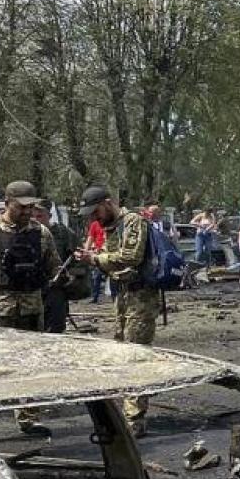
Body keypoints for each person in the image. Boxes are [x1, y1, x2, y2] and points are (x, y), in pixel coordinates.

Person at [74, 185, 161, 436]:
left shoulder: (133, 221)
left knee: (136, 355)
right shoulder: (110, 227)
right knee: (122, 350)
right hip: (122, 294)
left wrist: (95, 259)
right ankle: (127, 412)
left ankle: (135, 418)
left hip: (140, 296)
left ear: (108, 202)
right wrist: (95, 255)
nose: (94, 217)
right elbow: (112, 257)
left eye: (96, 211)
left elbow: (130, 256)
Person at [0, 182, 58, 437]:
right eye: (22, 207)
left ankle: (29, 417)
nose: (28, 211)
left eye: (31, 206)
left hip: (31, 306)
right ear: (7, 203)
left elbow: (53, 267)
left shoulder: (41, 233)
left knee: (30, 366)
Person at [35, 200, 78, 334]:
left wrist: (70, 278)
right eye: (33, 216)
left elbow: (78, 258)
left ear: (49, 215)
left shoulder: (64, 234)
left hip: (55, 291)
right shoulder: (27, 232)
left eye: (40, 216)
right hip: (32, 290)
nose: (36, 220)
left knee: (55, 330)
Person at [84, 215, 108, 302]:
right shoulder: (94, 224)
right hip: (98, 253)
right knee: (96, 276)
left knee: (114, 278)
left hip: (110, 253)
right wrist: (86, 251)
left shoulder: (112, 224)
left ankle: (115, 296)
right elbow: (90, 237)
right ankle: (94, 297)